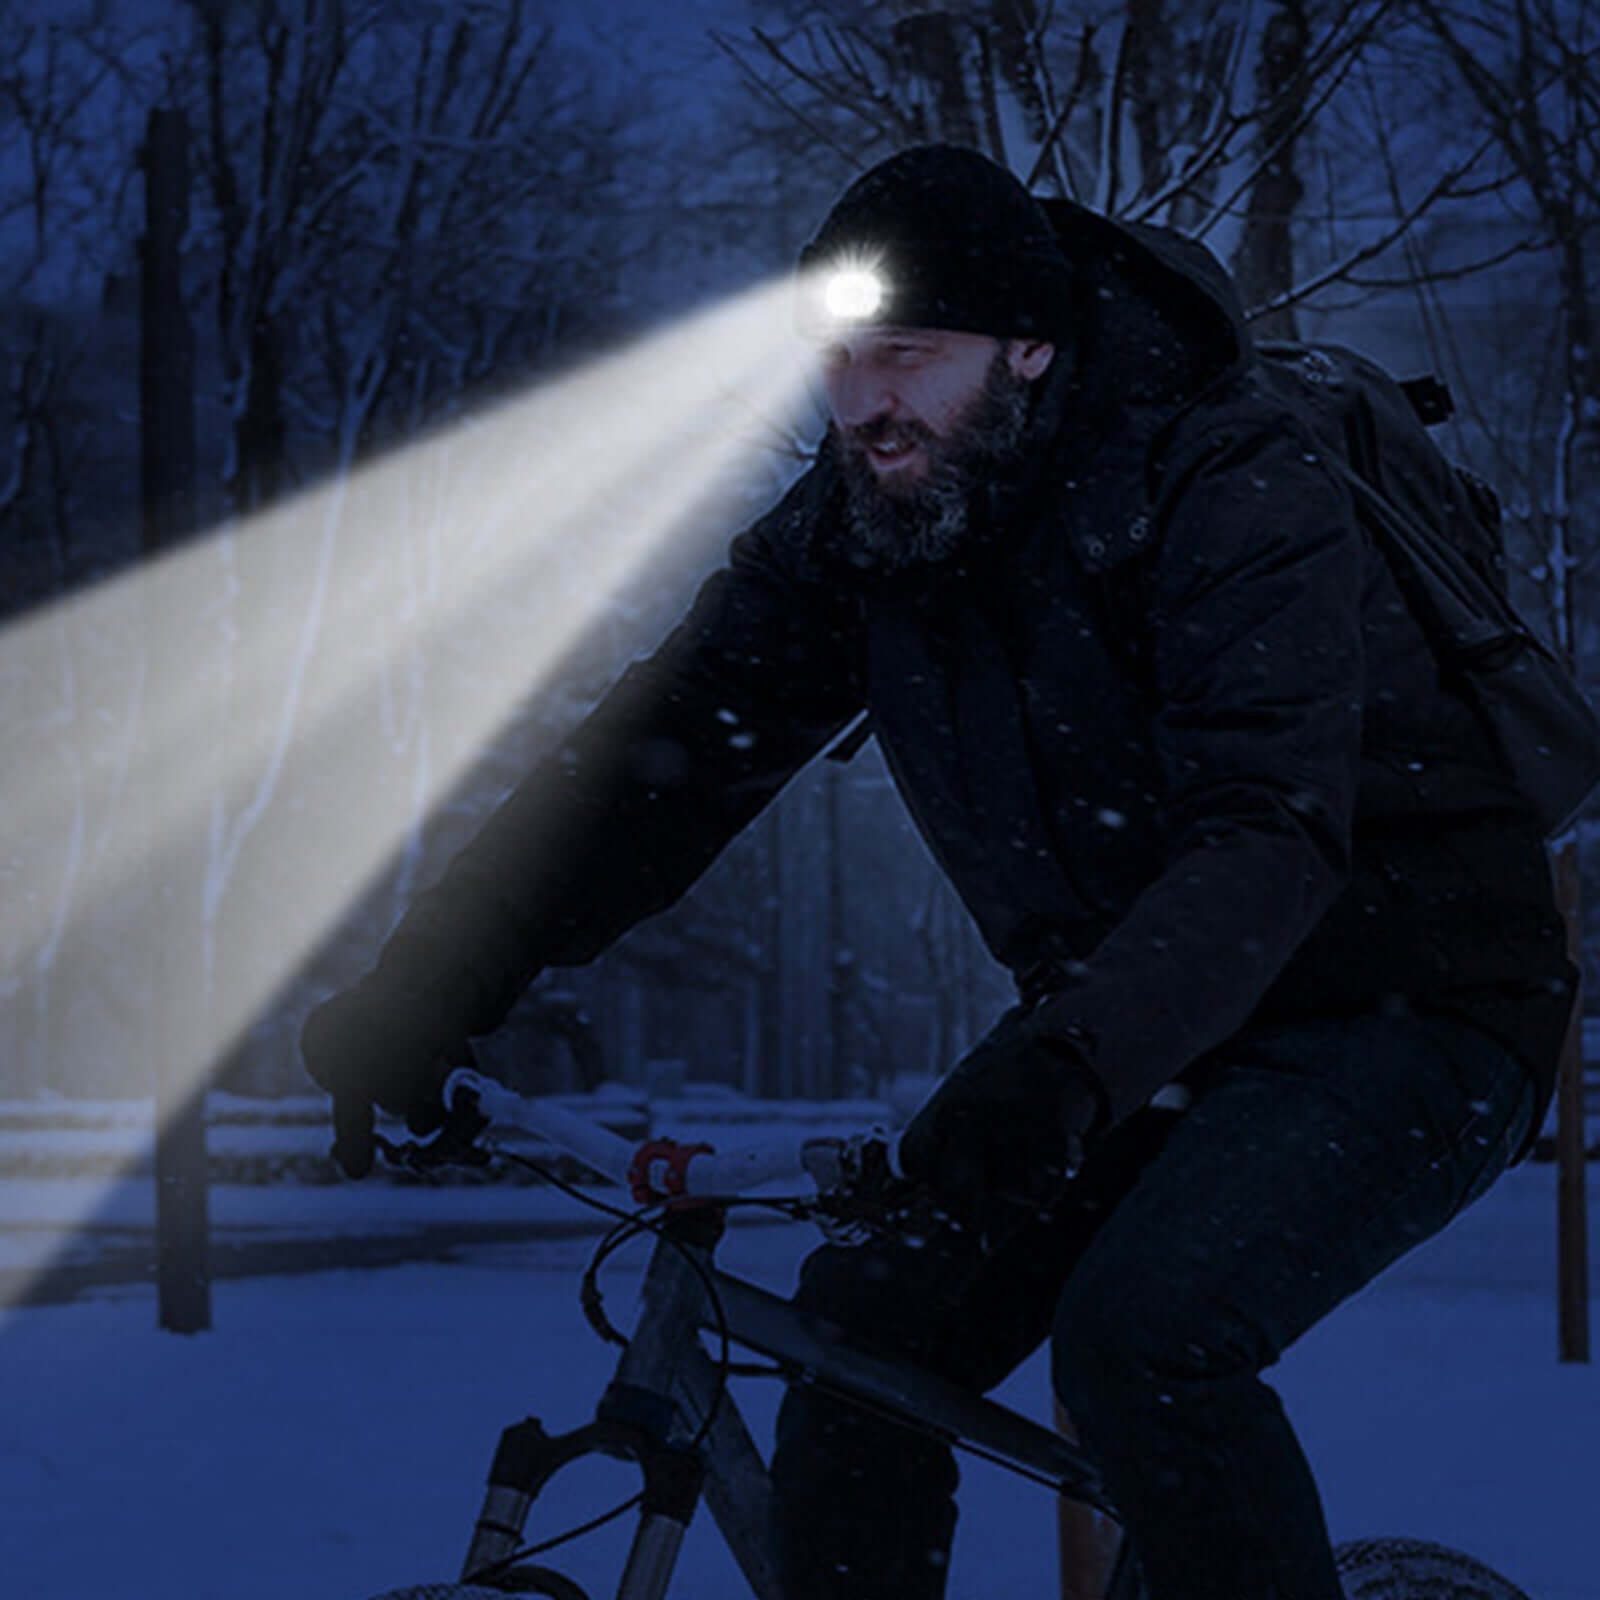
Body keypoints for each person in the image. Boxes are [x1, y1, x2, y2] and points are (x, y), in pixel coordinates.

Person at [301, 145, 1576, 1600]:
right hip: (1136, 1022)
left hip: (1408, 1002)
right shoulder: (865, 525)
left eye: (903, 358)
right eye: (838, 363)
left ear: (1029, 349)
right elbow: (650, 770)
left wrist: (1065, 1066)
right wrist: (433, 984)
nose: (864, 404)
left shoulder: (1224, 477)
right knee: (861, 1337)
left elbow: (1265, 834)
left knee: (1143, 1341)